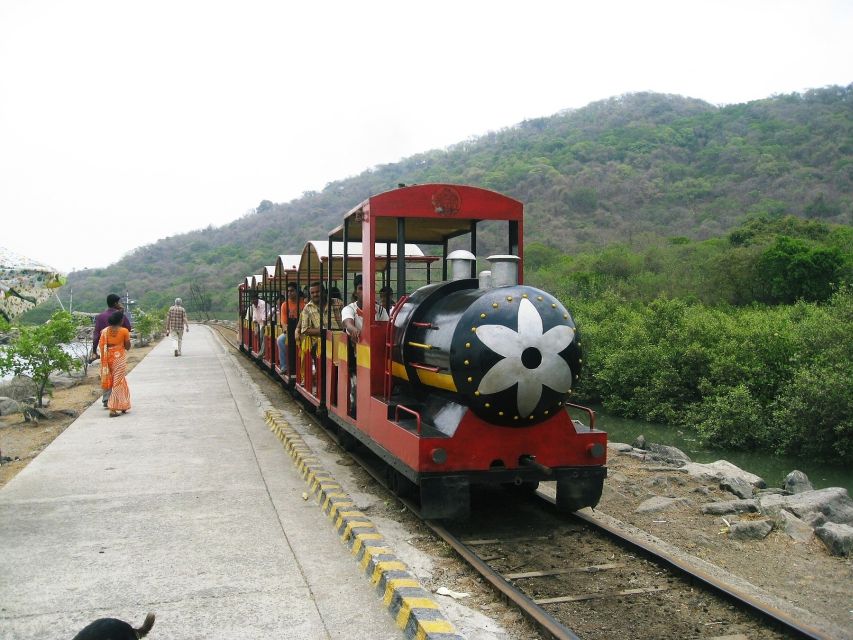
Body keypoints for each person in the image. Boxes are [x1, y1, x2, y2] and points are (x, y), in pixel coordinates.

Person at [341, 275, 389, 416]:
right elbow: (347, 323)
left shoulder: (380, 311)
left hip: (376, 354)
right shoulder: (349, 309)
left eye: (368, 288)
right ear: (356, 292)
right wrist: (354, 330)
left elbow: (386, 328)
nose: (365, 292)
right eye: (361, 288)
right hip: (355, 355)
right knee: (355, 385)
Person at [294, 282, 343, 381]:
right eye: (312, 293)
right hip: (320, 341)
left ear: (324, 292)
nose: (315, 294)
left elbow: (345, 320)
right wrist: (324, 332)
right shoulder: (307, 308)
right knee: (318, 349)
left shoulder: (338, 303)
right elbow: (305, 330)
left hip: (340, 338)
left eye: (318, 292)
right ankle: (323, 379)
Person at [92, 294, 132, 408]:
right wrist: (122, 314)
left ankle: (106, 399)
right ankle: (116, 400)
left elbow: (96, 335)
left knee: (106, 373)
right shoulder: (120, 316)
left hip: (105, 350)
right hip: (118, 352)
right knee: (118, 376)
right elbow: (128, 328)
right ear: (115, 303)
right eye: (119, 302)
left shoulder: (100, 317)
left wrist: (94, 350)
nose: (120, 304)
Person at [98, 311, 131, 417]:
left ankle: (123, 405)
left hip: (107, 358)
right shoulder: (124, 331)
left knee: (118, 381)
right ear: (121, 321)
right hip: (119, 359)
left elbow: (101, 345)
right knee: (118, 382)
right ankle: (112, 408)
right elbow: (127, 347)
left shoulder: (104, 331)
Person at [276, 283, 304, 372]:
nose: (289, 293)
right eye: (288, 291)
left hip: (303, 330)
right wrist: (286, 331)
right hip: (290, 330)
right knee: (280, 340)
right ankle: (284, 365)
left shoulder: (304, 303)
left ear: (297, 291)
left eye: (292, 291)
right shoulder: (284, 305)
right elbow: (283, 322)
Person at [250, 292, 268, 357]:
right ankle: (261, 351)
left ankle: (262, 352)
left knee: (262, 336)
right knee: (257, 335)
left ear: (257, 298)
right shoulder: (253, 305)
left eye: (254, 299)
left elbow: (264, 317)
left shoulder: (263, 304)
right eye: (251, 300)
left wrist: (263, 327)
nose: (253, 301)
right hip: (259, 323)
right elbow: (254, 316)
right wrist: (256, 327)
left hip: (265, 323)